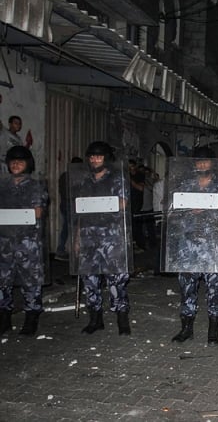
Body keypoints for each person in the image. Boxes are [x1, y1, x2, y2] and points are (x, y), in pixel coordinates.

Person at [169, 147, 218, 345]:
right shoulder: (185, 184)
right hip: (187, 245)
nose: (202, 165)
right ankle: (186, 329)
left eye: (206, 161)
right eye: (199, 162)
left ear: (212, 164)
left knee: (214, 289)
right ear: (194, 164)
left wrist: (204, 203)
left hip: (212, 246)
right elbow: (173, 207)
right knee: (187, 289)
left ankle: (213, 331)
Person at [72, 141, 133, 335]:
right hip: (89, 237)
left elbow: (123, 204)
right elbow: (80, 211)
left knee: (116, 280)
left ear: (106, 158)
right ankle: (95, 319)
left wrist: (100, 204)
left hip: (111, 237)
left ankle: (122, 320)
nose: (95, 160)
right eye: (92, 157)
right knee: (90, 281)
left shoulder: (117, 179)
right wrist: (77, 238)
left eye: (99, 156)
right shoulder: (84, 181)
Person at [0, 146, 48, 336]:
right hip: (4, 242)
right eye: (12, 161)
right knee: (3, 282)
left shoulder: (36, 186)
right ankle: (4, 317)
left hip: (28, 243)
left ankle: (31, 316)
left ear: (28, 164)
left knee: (31, 282)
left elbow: (36, 212)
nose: (16, 164)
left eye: (20, 161)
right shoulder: (3, 186)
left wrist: (8, 215)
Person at [55, 157, 83, 261]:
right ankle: (73, 252)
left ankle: (62, 250)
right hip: (72, 204)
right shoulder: (77, 177)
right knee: (74, 228)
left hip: (66, 204)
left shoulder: (65, 175)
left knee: (66, 228)